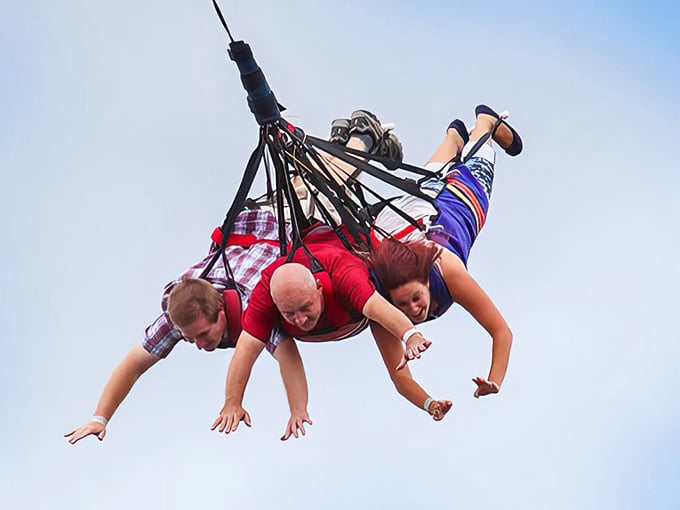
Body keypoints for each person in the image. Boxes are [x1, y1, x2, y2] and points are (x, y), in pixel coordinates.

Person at [64, 208, 312, 444]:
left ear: (221, 310)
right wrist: (99, 417)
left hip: (279, 226)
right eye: (191, 339)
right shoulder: (178, 317)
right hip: (241, 233)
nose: (200, 345)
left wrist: (298, 409)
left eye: (203, 334)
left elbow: (287, 354)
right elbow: (133, 365)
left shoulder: (251, 305)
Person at [211, 215, 452, 435]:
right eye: (290, 314)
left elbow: (377, 307)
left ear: (318, 287)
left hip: (341, 234)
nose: (301, 320)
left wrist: (410, 335)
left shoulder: (342, 273)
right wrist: (232, 402)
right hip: (306, 237)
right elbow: (246, 349)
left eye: (306, 308)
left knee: (385, 333)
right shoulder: (268, 290)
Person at [365, 104, 521, 398]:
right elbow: (399, 378)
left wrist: (494, 378)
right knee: (434, 171)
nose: (413, 310)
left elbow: (502, 332)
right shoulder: (383, 305)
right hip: (422, 204)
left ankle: (484, 123)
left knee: (477, 155)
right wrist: (429, 404)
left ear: (425, 279)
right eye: (403, 305)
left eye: (414, 298)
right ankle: (453, 137)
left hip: (460, 198)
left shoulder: (446, 270)